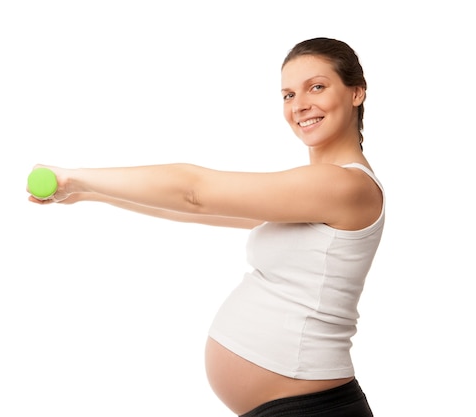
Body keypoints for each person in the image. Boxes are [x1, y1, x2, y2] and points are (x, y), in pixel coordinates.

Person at [28, 37, 383, 417]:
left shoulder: (345, 186)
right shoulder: (312, 191)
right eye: (287, 94)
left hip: (312, 410)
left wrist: (75, 174)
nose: (299, 105)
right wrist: (87, 193)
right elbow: (195, 211)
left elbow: (194, 191)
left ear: (356, 93)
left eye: (317, 87)